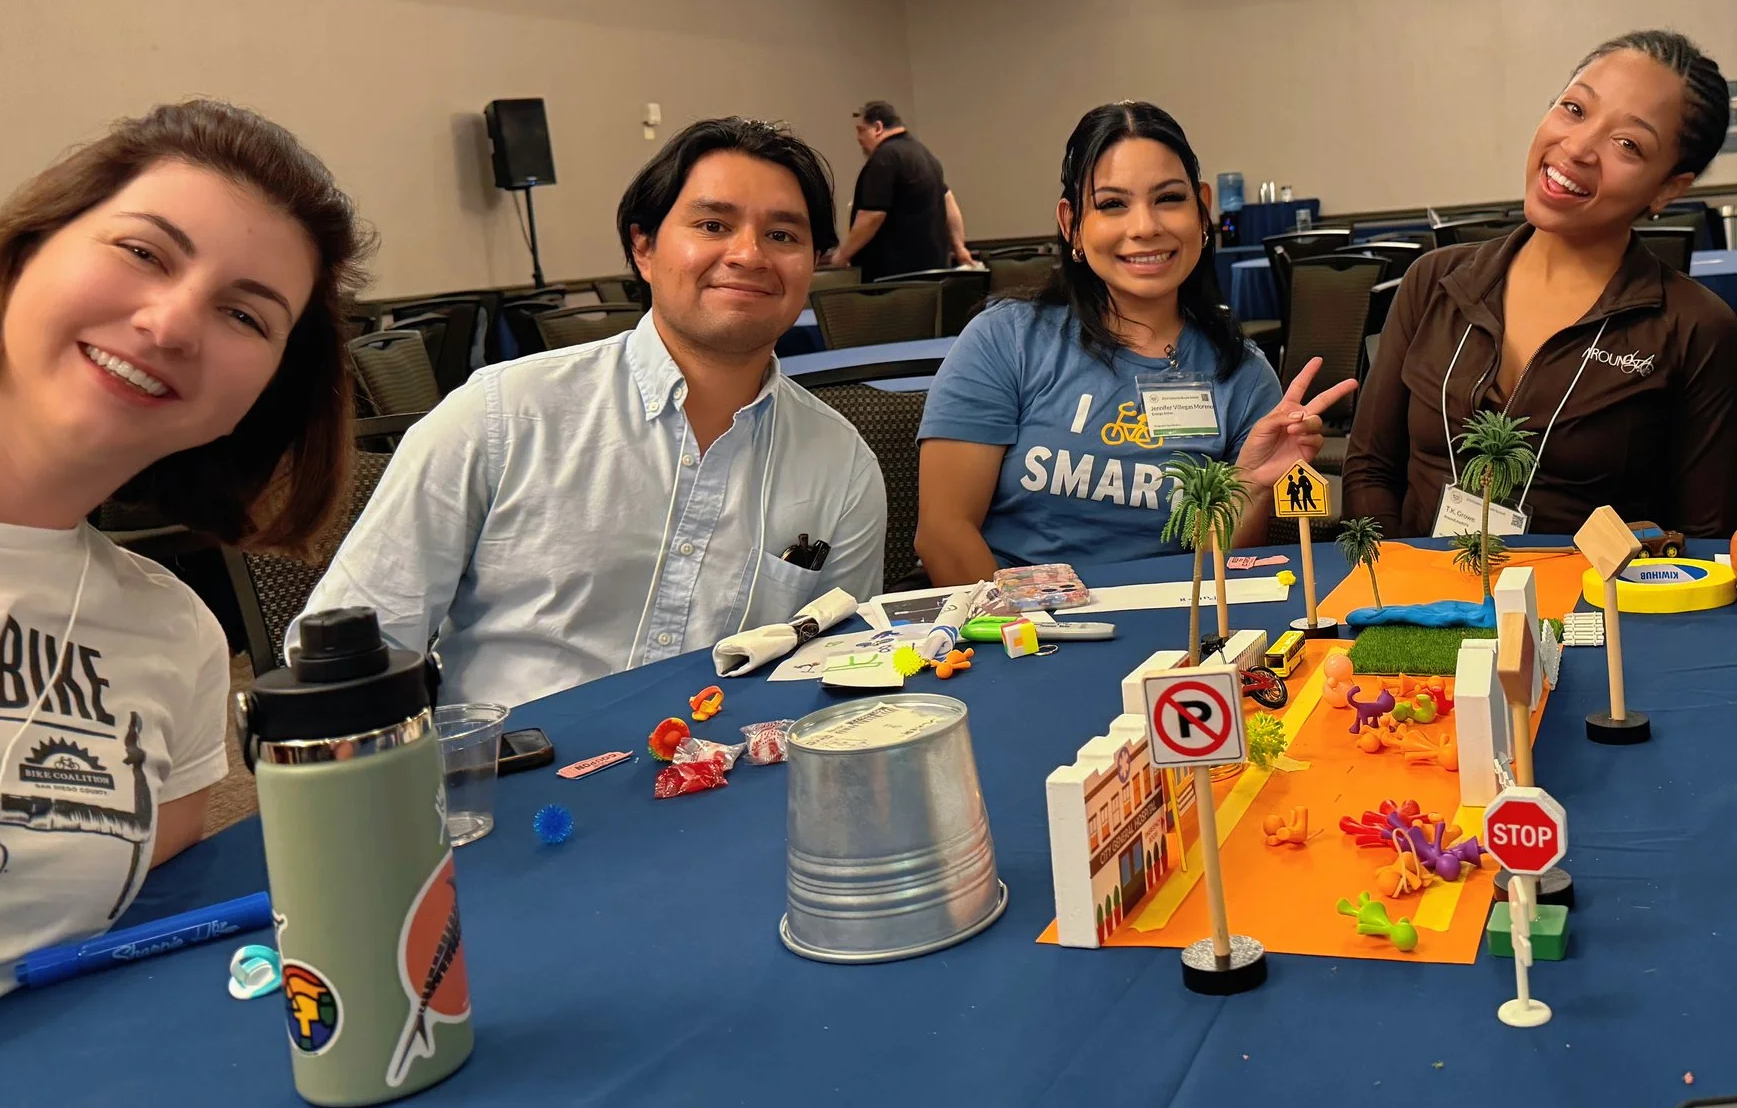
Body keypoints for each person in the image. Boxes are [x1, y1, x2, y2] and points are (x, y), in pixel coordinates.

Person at [0, 101, 367, 1026]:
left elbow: (142, 906)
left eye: (245, 314)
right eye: (143, 252)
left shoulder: (173, 637)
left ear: (256, 396)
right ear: (27, 251)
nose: (173, 323)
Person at [310, 119, 885, 707]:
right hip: (507, 780)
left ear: (814, 262)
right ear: (644, 247)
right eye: (712, 225)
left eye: (783, 236)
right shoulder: (502, 417)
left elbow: (842, 670)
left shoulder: (841, 464)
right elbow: (356, 650)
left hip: (732, 779)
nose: (748, 254)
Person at [1342, 30, 1737, 542]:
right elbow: (1371, 470)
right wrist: (1395, 593)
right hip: (1421, 606)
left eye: (1627, 144)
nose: (1577, 147)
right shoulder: (1436, 282)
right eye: (1575, 109)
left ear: (1668, 188)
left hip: (1592, 613)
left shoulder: (1695, 327)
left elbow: (1707, 539)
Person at [915, 101, 1350, 576]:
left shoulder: (1242, 374)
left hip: (1175, 634)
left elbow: (1227, 572)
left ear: (1202, 211)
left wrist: (1252, 485)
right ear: (1071, 224)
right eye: (1112, 204)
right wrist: (1025, 638)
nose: (1145, 227)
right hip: (1015, 632)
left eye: (1168, 198)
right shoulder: (1006, 341)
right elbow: (945, 533)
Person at [827, 101, 972, 279]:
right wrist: (959, 248)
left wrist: (842, 255)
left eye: (861, 130)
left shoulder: (884, 159)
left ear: (878, 127)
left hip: (896, 279)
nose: (858, 138)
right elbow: (949, 202)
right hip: (933, 273)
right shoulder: (924, 154)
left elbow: (872, 216)